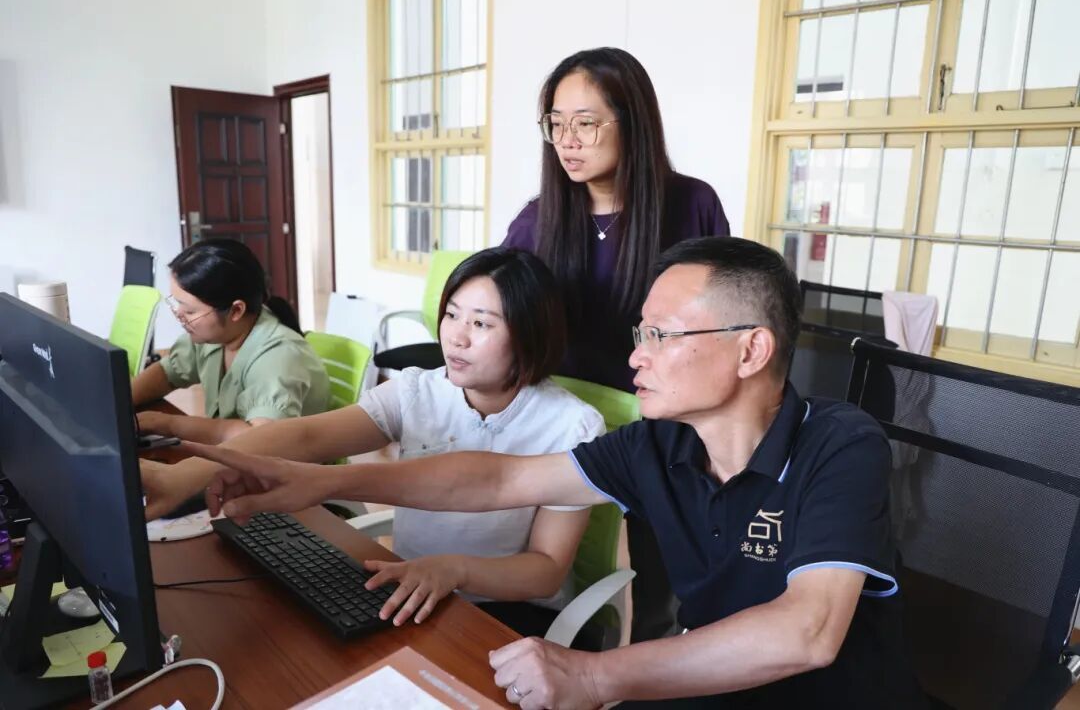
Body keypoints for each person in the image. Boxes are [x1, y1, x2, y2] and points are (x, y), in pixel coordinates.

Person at [186, 237, 926, 708]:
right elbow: (498, 480)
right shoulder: (657, 444)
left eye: (661, 335)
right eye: (640, 332)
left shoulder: (839, 443)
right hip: (701, 688)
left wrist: (594, 675)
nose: (635, 356)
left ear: (751, 350)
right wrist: (326, 481)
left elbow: (808, 632)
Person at [142, 247, 605, 637]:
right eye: (451, 315)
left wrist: (455, 569)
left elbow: (546, 570)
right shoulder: (417, 390)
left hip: (501, 609)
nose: (456, 337)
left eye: (482, 324)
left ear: (530, 332)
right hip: (408, 589)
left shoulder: (571, 426)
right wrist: (187, 476)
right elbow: (306, 435)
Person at [503, 46, 731, 642]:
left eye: (585, 122)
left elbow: (721, 321)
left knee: (663, 589)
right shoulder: (535, 221)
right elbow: (505, 319)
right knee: (553, 572)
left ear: (632, 122)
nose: (567, 140)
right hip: (564, 420)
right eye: (555, 123)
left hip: (664, 425)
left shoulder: (692, 205)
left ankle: (657, 661)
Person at [130, 239, 330, 444]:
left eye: (189, 310)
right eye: (177, 303)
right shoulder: (215, 334)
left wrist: (167, 424)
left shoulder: (277, 357)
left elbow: (262, 438)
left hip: (279, 460)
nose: (179, 315)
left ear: (236, 310)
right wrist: (121, 402)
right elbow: (168, 372)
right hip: (235, 454)